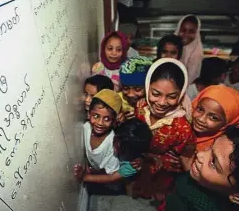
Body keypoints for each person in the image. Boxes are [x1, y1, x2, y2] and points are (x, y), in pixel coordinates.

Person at [163, 127, 239, 211]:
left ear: (238, 197)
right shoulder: (188, 186)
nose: (200, 155)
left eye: (213, 163)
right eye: (210, 147)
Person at [131, 58, 195, 205]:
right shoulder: (140, 108)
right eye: (155, 93)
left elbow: (185, 162)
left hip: (163, 179)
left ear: (181, 94)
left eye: (172, 97)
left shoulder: (182, 128)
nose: (161, 102)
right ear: (147, 88)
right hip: (138, 171)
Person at [73, 118, 152, 192]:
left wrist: (85, 177)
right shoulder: (112, 132)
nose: (115, 149)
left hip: (113, 180)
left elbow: (111, 177)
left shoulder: (133, 165)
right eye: (115, 142)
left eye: (122, 151)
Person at [73, 89, 122, 194]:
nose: (100, 123)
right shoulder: (86, 128)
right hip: (95, 174)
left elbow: (112, 175)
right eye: (96, 116)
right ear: (89, 114)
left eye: (107, 119)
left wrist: (85, 176)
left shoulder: (113, 143)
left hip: (110, 185)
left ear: (114, 121)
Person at [174, 15, 204, 84]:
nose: (186, 34)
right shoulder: (170, 46)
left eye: (191, 31)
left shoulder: (197, 54)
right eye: (183, 30)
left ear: (197, 33)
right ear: (178, 30)